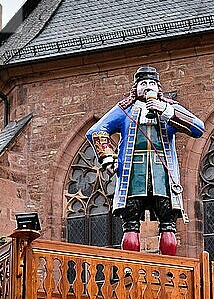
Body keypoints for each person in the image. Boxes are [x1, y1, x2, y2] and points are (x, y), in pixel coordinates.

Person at [86, 66, 205, 255]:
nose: (147, 87)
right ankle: (130, 265)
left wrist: (166, 111)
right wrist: (108, 159)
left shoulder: (169, 108)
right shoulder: (125, 110)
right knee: (131, 222)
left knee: (167, 222)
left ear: (158, 88)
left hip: (162, 176)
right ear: (136, 88)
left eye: (151, 83)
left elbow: (198, 128)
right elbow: (96, 131)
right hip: (133, 175)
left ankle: (169, 267)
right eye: (143, 83)